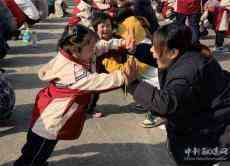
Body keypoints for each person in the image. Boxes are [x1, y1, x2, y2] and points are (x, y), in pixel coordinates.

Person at [13, 24, 138, 166]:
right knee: (36, 152)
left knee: (42, 149)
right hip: (50, 120)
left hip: (56, 112)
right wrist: (124, 77)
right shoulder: (72, 71)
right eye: (91, 47)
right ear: (75, 50)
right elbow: (96, 81)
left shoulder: (79, 52)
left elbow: (102, 46)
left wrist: (120, 43)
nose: (95, 49)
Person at [133, 23, 230, 165]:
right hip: (207, 124)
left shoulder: (187, 73)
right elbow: (156, 54)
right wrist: (134, 49)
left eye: (155, 46)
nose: (152, 50)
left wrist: (131, 84)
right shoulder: (187, 53)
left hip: (213, 132)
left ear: (173, 52)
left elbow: (166, 103)